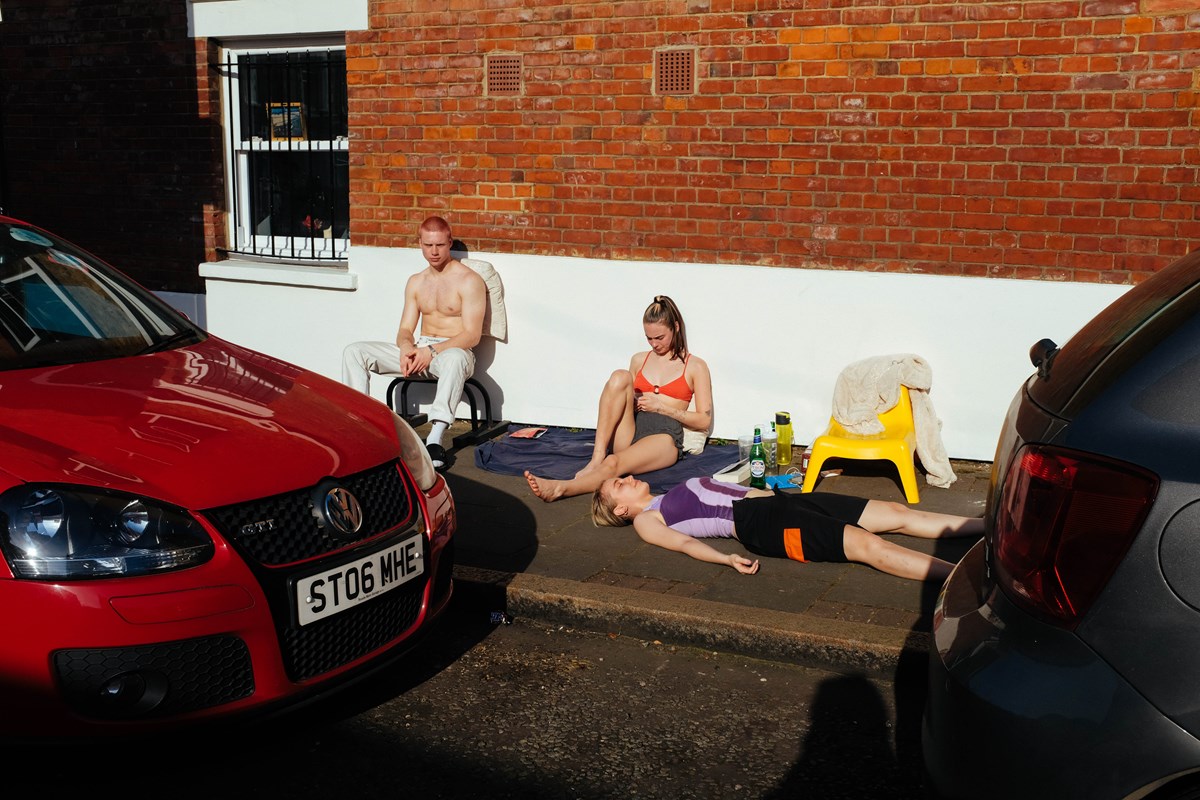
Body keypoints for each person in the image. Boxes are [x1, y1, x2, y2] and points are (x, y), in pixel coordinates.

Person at [591, 475, 984, 582]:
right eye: (618, 485)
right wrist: (726, 559)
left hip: (779, 501)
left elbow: (732, 486)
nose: (626, 477)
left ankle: (991, 528)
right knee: (865, 544)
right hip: (757, 524)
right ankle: (965, 580)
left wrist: (776, 483)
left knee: (895, 512)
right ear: (622, 509)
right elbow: (681, 544)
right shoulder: (647, 519)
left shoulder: (668, 491)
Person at [524, 295, 713, 503]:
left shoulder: (695, 366)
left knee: (614, 462)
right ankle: (597, 457)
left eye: (659, 338)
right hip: (633, 428)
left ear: (675, 328)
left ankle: (561, 488)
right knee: (620, 376)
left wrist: (661, 408)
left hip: (663, 436)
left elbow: (704, 420)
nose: (654, 344)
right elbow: (622, 396)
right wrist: (631, 402)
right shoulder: (639, 359)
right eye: (649, 338)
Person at [343, 216, 487, 468]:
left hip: (453, 352)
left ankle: (434, 440)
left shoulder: (469, 280)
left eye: (440, 245)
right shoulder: (416, 282)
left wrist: (432, 351)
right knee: (355, 351)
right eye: (428, 245)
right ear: (419, 243)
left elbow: (472, 335)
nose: (434, 251)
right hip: (420, 350)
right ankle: (359, 428)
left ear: (449, 242)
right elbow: (405, 329)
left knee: (453, 358)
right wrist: (407, 347)